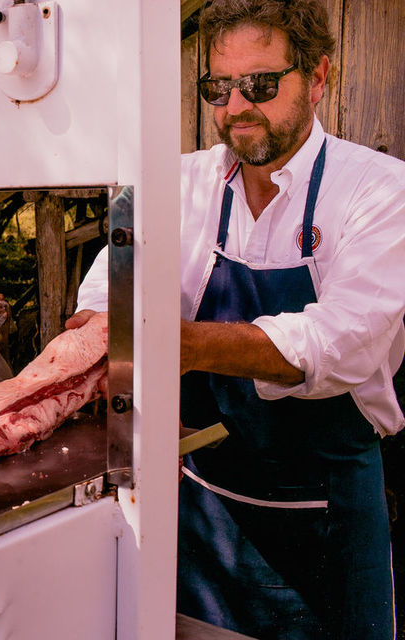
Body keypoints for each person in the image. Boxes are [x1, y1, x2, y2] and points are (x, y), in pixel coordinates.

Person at [73, 1, 405, 637]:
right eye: (218, 88)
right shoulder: (177, 184)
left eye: (260, 84)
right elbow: (100, 305)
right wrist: (135, 387)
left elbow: (340, 343)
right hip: (205, 513)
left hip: (327, 508)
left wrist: (175, 345)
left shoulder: (378, 189)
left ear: (318, 77)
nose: (236, 106)